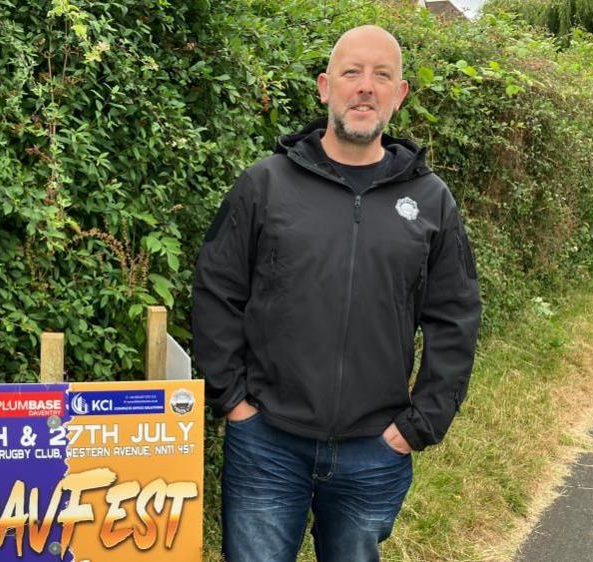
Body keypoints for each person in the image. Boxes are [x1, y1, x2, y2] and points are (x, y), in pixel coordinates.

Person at [191, 25, 482, 562]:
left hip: (375, 448)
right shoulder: (265, 185)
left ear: (400, 94)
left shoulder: (430, 199)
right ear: (326, 87)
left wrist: (418, 426)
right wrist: (233, 402)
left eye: (382, 76)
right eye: (352, 73)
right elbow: (216, 292)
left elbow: (456, 317)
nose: (365, 87)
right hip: (266, 441)